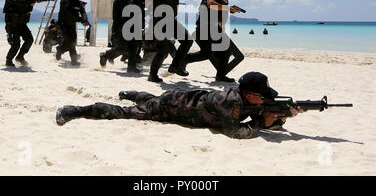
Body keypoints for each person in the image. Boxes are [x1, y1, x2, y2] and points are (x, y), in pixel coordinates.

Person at [56, 72, 304, 139]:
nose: (265, 99)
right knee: (123, 113)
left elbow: (258, 113)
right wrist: (265, 123)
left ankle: (133, 93)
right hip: (169, 109)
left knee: (151, 98)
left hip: (179, 97)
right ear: (249, 95)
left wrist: (283, 116)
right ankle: (76, 110)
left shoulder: (245, 99)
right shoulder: (229, 102)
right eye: (262, 97)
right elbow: (235, 131)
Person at [148, 0, 213, 82]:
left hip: (170, 20)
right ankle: (152, 75)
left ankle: (175, 66)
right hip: (158, 20)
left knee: (187, 40)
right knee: (163, 51)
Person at [184, 0, 241, 82]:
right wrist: (229, 8)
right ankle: (183, 60)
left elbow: (219, 12)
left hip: (214, 27)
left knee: (226, 51)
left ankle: (220, 76)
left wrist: (224, 23)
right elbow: (211, 4)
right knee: (206, 53)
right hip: (205, 26)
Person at [99, 0, 142, 73]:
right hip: (121, 28)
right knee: (123, 48)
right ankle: (105, 55)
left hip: (129, 27)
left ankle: (131, 67)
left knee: (133, 47)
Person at [3, 0, 35, 66]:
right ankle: (8, 60)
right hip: (12, 24)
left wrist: (32, 4)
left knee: (29, 39)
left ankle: (20, 57)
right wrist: (30, 0)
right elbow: (19, 1)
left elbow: (28, 9)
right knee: (16, 44)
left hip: (22, 24)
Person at [56, 0, 89, 66]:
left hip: (72, 25)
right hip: (64, 25)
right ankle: (64, 53)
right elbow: (70, 12)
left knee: (72, 41)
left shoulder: (79, 3)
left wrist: (84, 20)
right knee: (70, 42)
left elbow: (83, 12)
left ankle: (65, 53)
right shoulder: (65, 1)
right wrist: (80, 19)